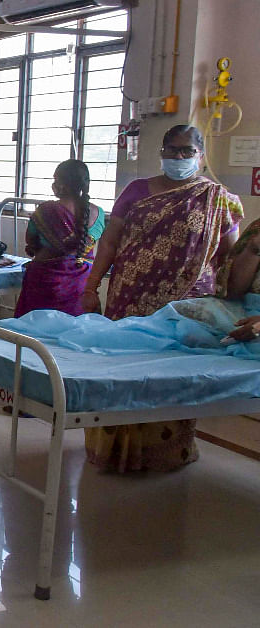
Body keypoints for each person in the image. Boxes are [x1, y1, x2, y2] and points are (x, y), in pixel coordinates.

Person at [80, 124, 244, 473]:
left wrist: (233, 306)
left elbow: (231, 257)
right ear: (162, 152)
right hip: (131, 299)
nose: (179, 157)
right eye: (172, 150)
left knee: (171, 377)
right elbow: (109, 242)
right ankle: (112, 453)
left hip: (186, 307)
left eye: (187, 151)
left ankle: (166, 454)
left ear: (201, 156)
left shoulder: (218, 199)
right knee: (121, 372)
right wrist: (91, 286)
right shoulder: (137, 191)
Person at [13, 159, 105, 317]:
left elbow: (31, 242)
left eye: (55, 180)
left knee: (34, 335)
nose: (53, 184)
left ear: (62, 184)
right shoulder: (99, 213)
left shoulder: (45, 211)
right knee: (74, 337)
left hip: (44, 285)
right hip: (81, 285)